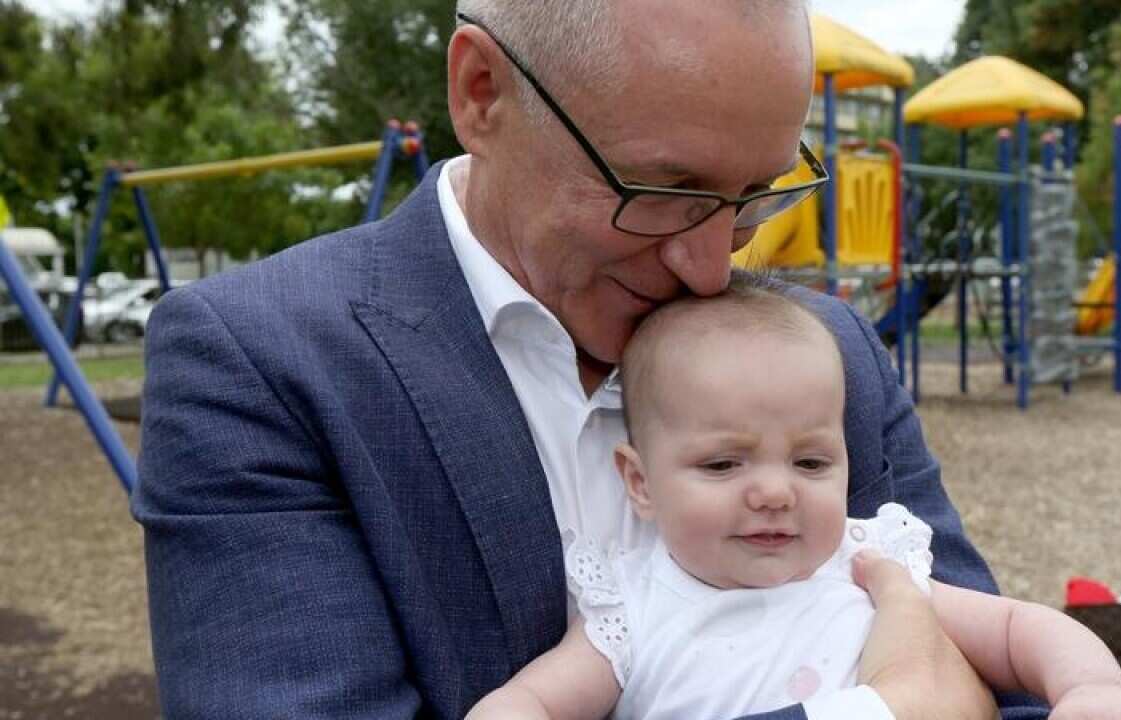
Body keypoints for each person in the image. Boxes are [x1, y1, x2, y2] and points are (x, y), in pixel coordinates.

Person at [132, 2, 1046, 717]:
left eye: (757, 195)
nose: (711, 267)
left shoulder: (827, 350)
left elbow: (1002, 684)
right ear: (482, 92)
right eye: (665, 191)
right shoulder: (265, 364)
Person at [465, 283, 1121, 720]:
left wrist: (1093, 689)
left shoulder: (869, 565)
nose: (774, 492)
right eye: (723, 464)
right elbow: (532, 703)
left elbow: (1017, 630)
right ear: (640, 483)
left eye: (811, 462)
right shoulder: (631, 610)